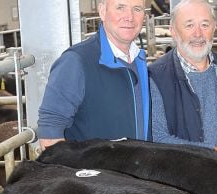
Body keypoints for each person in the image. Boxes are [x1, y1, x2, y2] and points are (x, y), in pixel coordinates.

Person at [36, 0, 150, 149]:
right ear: (102, 11)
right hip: (95, 170)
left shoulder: (139, 60)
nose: (129, 17)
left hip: (132, 166)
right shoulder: (75, 61)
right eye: (120, 7)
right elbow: (49, 132)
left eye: (137, 9)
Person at [149, 0, 217, 158]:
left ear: (214, 27)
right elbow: (158, 137)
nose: (198, 34)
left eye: (205, 25)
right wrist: (214, 152)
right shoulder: (155, 76)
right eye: (189, 25)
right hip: (181, 176)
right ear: (173, 31)